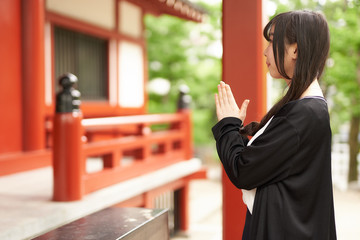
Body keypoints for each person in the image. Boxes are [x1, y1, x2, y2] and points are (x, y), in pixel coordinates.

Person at [212, 10, 337, 239]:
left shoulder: (301, 114)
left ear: (295, 49)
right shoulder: (305, 108)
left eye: (271, 41)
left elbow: (243, 171)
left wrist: (228, 127)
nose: (265, 51)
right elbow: (262, 162)